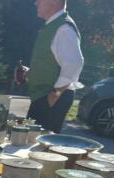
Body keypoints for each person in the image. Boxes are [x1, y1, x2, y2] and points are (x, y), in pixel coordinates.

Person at [27, 0, 84, 133]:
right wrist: (31, 73)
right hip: (46, 96)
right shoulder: (54, 26)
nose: (36, 3)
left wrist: (55, 94)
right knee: (31, 139)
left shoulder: (64, 28)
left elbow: (75, 63)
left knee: (38, 141)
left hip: (52, 96)